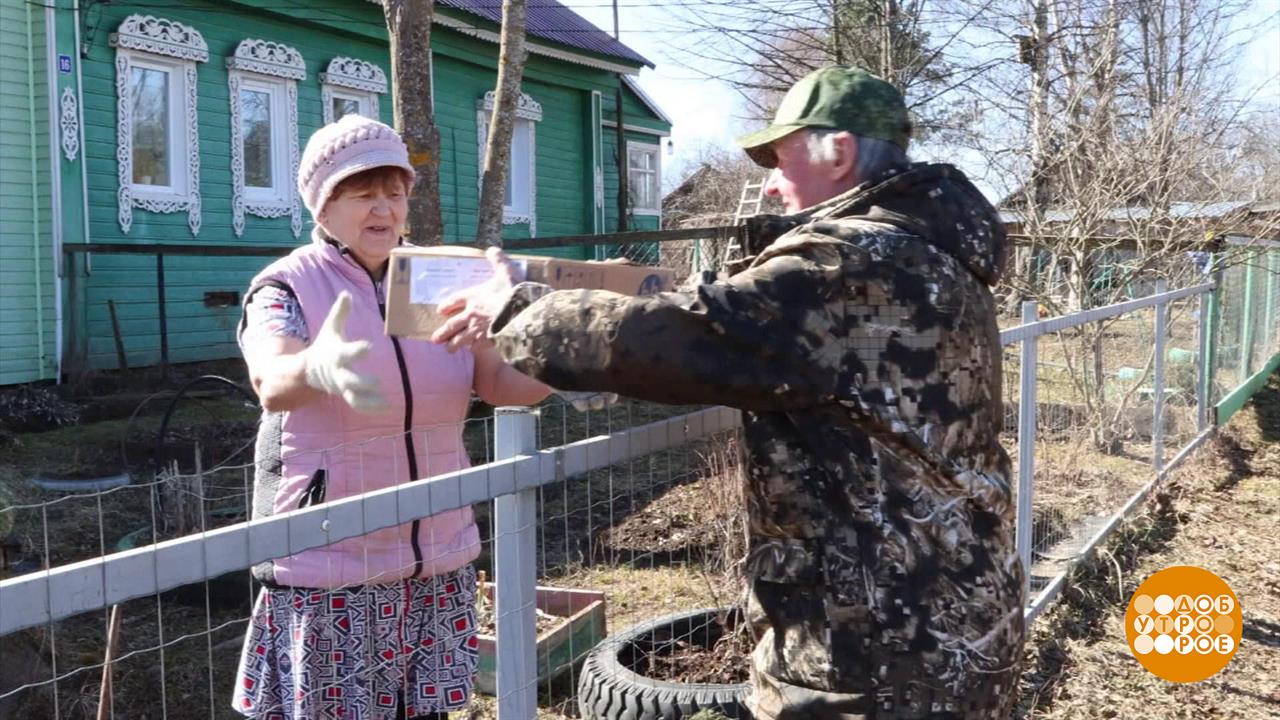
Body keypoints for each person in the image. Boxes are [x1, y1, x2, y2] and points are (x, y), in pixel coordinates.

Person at [433, 67, 1025, 719]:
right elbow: (754, 325)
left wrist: (516, 310)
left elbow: (685, 336)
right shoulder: (935, 258)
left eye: (780, 159)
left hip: (874, 653)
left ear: (839, 153)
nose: (769, 183)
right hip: (969, 612)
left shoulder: (845, 265)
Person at [231, 114, 551, 720]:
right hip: (331, 568)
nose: (383, 208)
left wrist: (564, 356)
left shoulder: (441, 279)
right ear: (322, 205)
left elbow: (501, 385)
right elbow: (271, 381)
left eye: (395, 192)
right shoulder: (286, 287)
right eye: (362, 193)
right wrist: (316, 366)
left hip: (436, 559)